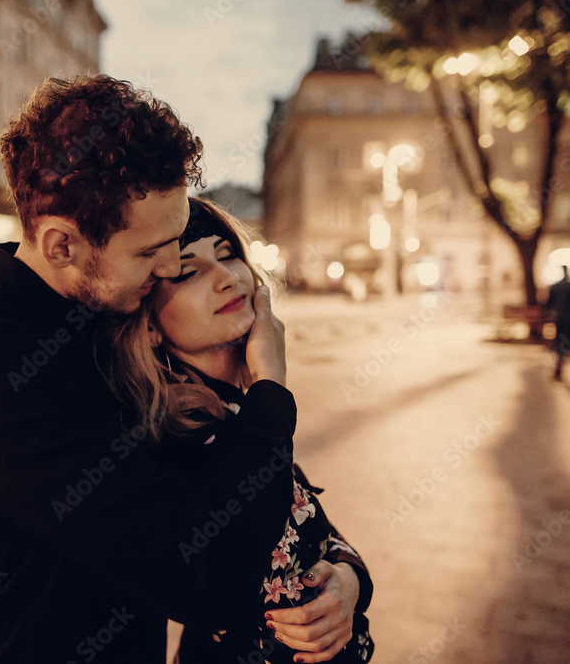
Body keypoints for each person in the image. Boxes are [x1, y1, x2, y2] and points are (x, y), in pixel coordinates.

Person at [0, 75, 316, 663]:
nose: (166, 267)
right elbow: (203, 565)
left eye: (175, 241)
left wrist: (339, 568)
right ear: (61, 246)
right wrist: (269, 389)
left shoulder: (100, 312)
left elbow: (224, 486)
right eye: (148, 251)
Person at [98, 198, 374, 663]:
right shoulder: (174, 438)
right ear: (148, 327)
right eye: (188, 273)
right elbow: (222, 572)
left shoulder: (236, 411)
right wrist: (270, 382)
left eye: (227, 254)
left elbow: (313, 532)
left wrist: (348, 582)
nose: (227, 276)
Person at [543, 265, 570, 381]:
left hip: (558, 317)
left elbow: (549, 304)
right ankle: (560, 362)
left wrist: (548, 317)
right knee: (566, 341)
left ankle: (559, 362)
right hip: (568, 318)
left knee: (560, 340)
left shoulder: (555, 287)